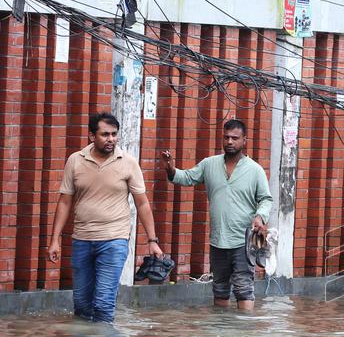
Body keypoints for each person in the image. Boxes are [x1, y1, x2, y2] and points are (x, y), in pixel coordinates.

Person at [47, 112, 164, 323]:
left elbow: (142, 203)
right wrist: (54, 240)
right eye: (105, 134)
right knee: (81, 303)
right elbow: (64, 202)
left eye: (114, 134)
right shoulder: (75, 160)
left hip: (114, 240)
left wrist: (152, 241)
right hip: (82, 239)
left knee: (102, 302)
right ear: (92, 136)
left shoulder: (127, 162)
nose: (111, 139)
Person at [161, 120, 272, 310]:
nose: (229, 141)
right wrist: (170, 169)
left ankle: (245, 335)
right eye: (226, 137)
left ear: (244, 140)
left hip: (243, 241)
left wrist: (260, 217)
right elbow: (186, 178)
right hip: (217, 241)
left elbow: (266, 199)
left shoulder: (255, 170)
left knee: (244, 290)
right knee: (219, 290)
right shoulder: (209, 164)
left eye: (235, 138)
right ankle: (220, 334)